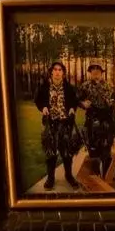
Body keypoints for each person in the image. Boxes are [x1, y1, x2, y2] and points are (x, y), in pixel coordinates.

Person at [34, 61, 81, 191]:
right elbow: (37, 100)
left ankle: (69, 175)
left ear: (63, 73)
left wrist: (72, 108)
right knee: (51, 152)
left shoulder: (69, 87)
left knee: (67, 152)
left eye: (60, 70)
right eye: (55, 69)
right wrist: (43, 107)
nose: (57, 72)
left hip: (65, 124)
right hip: (51, 123)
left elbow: (74, 101)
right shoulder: (44, 87)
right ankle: (51, 178)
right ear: (51, 72)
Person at [78, 63, 115, 179]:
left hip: (107, 121)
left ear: (101, 72)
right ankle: (94, 178)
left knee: (106, 150)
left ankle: (105, 177)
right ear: (90, 72)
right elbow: (76, 100)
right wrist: (82, 104)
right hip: (92, 120)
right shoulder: (84, 86)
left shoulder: (109, 85)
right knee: (93, 150)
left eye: (98, 69)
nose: (95, 71)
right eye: (93, 69)